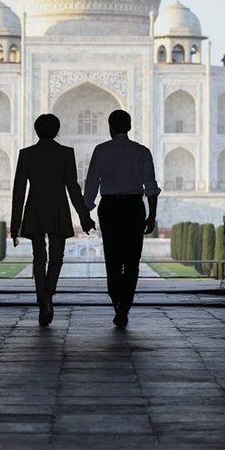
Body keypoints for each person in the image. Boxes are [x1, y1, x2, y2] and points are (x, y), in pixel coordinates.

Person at [10, 113, 95, 326]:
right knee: (57, 255)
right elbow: (73, 188)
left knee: (39, 256)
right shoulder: (65, 153)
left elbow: (19, 190)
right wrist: (84, 216)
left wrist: (15, 223)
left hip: (35, 208)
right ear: (57, 131)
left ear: (36, 130)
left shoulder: (27, 154)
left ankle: (42, 299)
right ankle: (49, 294)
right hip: (58, 209)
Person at [83, 109, 160, 328]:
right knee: (132, 260)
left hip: (109, 208)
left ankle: (118, 302)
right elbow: (151, 187)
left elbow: (91, 184)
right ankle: (124, 306)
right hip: (134, 207)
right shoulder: (142, 152)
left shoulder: (101, 150)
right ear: (129, 127)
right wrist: (152, 215)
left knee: (113, 259)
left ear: (111, 127)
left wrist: (86, 212)